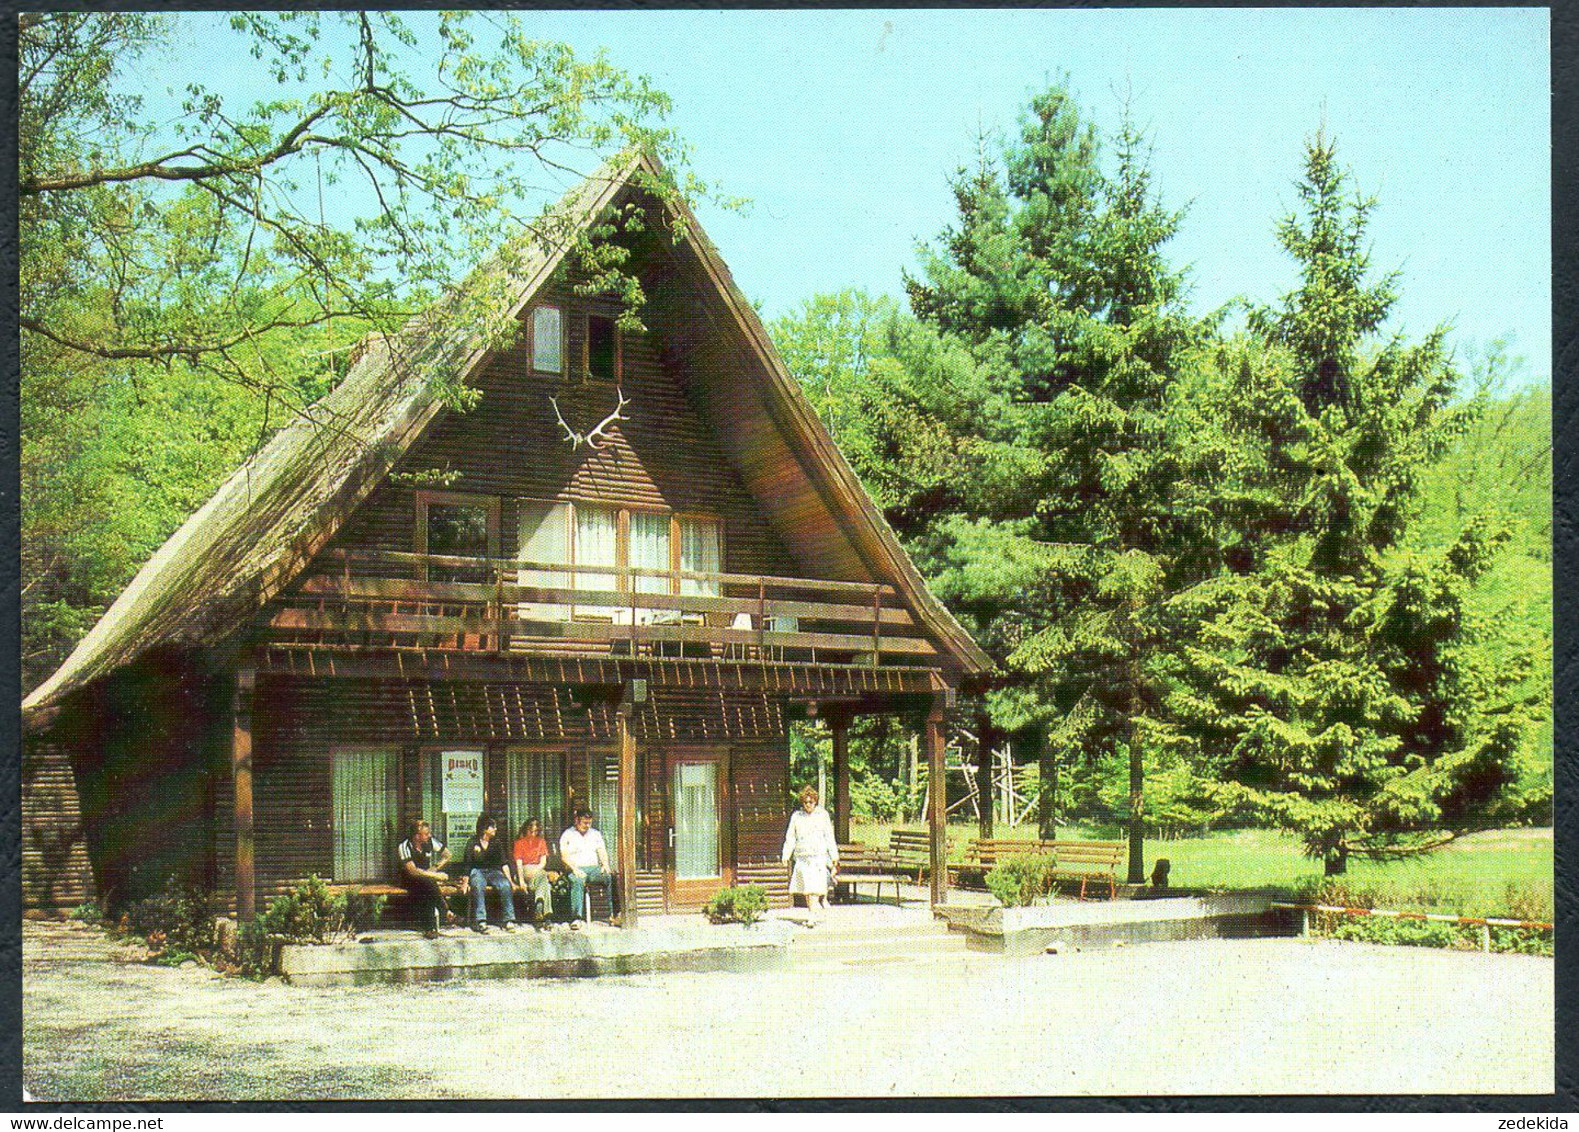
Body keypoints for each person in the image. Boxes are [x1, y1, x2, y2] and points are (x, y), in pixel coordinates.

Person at [781, 785, 839, 927]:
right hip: (802, 856)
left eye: (811, 802)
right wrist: (786, 854)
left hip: (817, 856)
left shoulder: (822, 815)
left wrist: (834, 855)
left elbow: (829, 836)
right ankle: (811, 912)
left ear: (815, 802)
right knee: (807, 889)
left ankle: (812, 916)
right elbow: (791, 837)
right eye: (806, 802)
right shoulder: (797, 817)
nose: (808, 805)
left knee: (814, 887)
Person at [396, 818, 459, 939]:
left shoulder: (430, 842)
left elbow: (447, 854)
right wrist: (435, 875)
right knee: (427, 884)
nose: (429, 835)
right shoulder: (404, 846)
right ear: (417, 836)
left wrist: (435, 867)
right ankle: (446, 911)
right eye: (426, 833)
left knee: (427, 887)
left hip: (426, 879)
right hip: (408, 879)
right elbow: (413, 871)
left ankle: (430, 928)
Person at [463, 813, 519, 933]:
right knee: (478, 885)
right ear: (484, 828)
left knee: (504, 885)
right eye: (492, 827)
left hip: (493, 871)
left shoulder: (496, 843)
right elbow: (467, 864)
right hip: (477, 871)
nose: (495, 829)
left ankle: (508, 919)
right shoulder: (472, 842)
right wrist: (465, 883)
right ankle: (481, 920)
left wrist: (511, 882)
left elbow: (504, 864)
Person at [558, 808, 613, 929]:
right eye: (584, 823)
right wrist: (574, 869)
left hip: (593, 869)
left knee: (610, 876)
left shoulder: (595, 834)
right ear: (577, 820)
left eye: (589, 823)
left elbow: (601, 851)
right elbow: (564, 856)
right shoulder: (568, 834)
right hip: (575, 868)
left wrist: (605, 864)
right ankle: (576, 918)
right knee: (576, 881)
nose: (587, 826)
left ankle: (613, 914)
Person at [511, 817, 555, 929]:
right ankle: (547, 916)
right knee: (544, 879)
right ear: (526, 829)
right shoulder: (519, 843)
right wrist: (521, 881)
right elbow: (519, 864)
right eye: (531, 831)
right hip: (525, 869)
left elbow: (543, 862)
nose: (533, 834)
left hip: (537, 870)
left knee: (544, 880)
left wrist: (536, 871)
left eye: (536, 832)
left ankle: (540, 906)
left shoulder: (541, 842)